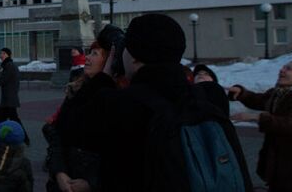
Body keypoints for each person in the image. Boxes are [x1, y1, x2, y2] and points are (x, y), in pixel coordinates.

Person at [77, 13, 252, 192]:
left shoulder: (117, 104)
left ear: (135, 57)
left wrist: (105, 76)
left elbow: (71, 128)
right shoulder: (210, 95)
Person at [42, 25, 122, 192]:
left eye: (95, 54)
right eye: (89, 52)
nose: (87, 58)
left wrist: (93, 183)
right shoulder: (76, 90)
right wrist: (60, 173)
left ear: (110, 60)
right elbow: (59, 136)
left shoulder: (119, 97)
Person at [228, 60, 292, 192]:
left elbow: (288, 123)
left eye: (289, 69)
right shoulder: (278, 93)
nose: (282, 70)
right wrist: (241, 93)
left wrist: (257, 117)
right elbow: (259, 100)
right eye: (283, 67)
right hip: (278, 163)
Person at [0, 47, 29, 145]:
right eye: (0, 53)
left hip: (9, 99)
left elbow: (1, 80)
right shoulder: (9, 65)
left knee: (12, 119)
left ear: (8, 55)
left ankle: (24, 138)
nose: (0, 55)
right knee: (2, 119)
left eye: (3, 53)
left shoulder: (9, 66)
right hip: (9, 98)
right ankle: (1, 136)